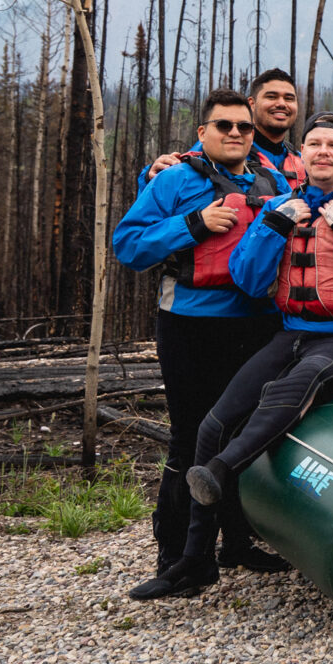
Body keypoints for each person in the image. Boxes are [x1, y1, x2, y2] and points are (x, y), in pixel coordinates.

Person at [141, 112, 333, 600]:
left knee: (299, 381)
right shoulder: (282, 205)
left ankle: (222, 470)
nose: (323, 151)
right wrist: (272, 225)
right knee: (211, 425)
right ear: (301, 154)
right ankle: (195, 560)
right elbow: (248, 279)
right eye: (314, 143)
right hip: (292, 333)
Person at [114, 89, 288, 600]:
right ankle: (177, 555)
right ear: (202, 132)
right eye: (223, 125)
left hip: (257, 325)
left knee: (242, 435)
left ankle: (237, 542)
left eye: (243, 126)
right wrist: (195, 224)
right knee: (190, 437)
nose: (235, 133)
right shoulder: (172, 180)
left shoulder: (273, 181)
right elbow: (129, 245)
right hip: (190, 325)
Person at [137, 67, 303, 190]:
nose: (281, 104)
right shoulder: (221, 145)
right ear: (252, 104)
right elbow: (160, 197)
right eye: (271, 97)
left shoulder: (301, 160)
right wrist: (148, 176)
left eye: (289, 98)